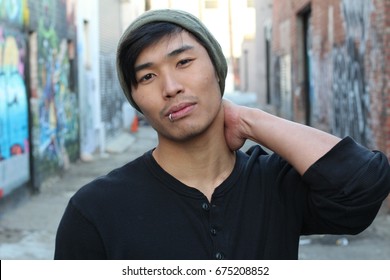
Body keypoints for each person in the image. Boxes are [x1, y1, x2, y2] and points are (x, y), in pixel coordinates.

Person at [54, 9, 390, 260]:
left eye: (183, 62)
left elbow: (365, 184)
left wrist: (249, 120)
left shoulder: (275, 184)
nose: (170, 87)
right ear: (137, 101)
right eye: (147, 77)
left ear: (217, 68)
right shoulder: (96, 211)